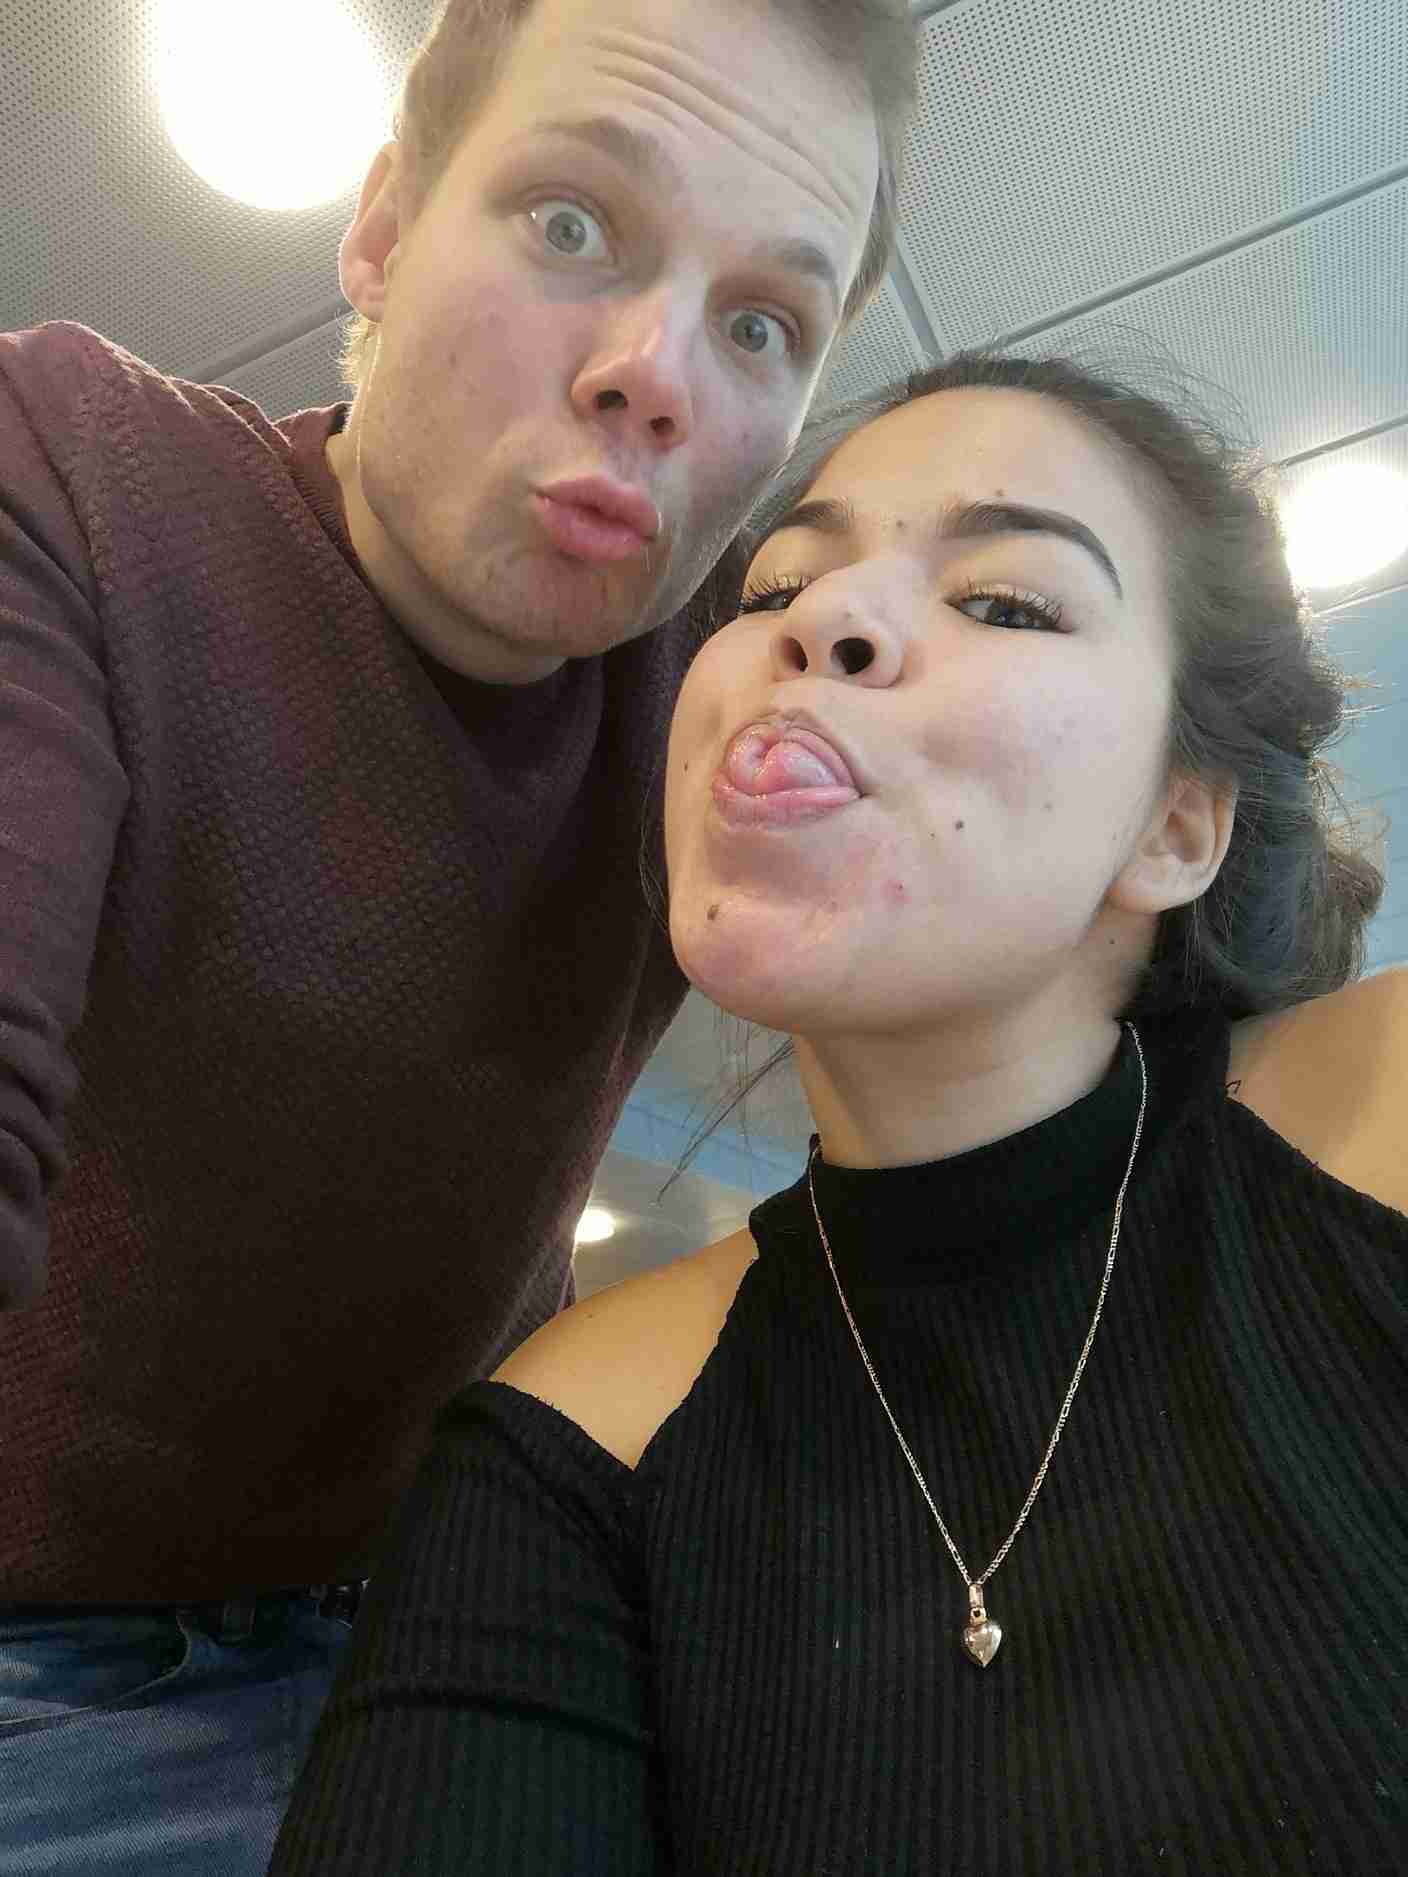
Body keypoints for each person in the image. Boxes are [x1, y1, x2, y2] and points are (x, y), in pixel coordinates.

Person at [269, 350, 1406, 1875]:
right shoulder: (584, 1430)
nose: (824, 618)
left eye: (1006, 602)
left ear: (1176, 825)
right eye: (777, 587)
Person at [0, 0, 917, 1868]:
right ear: (383, 227)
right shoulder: (78, 471)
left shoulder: (729, 675)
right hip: (42, 1662)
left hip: (471, 1594)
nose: (656, 376)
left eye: (762, 323)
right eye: (574, 223)